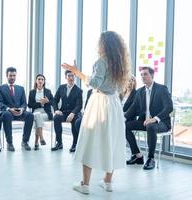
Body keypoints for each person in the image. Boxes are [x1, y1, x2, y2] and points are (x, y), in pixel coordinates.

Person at [62, 31, 131, 194]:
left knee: (89, 140)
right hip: (114, 104)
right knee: (112, 141)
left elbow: (94, 83)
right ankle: (108, 181)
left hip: (100, 103)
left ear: (104, 44)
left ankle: (85, 185)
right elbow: (120, 88)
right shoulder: (121, 64)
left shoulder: (101, 62)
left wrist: (77, 72)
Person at [125, 66, 173, 170]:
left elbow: (169, 107)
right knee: (125, 125)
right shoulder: (140, 91)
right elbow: (133, 109)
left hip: (161, 123)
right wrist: (122, 118)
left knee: (151, 126)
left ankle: (151, 159)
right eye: (141, 75)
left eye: (145, 74)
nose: (143, 76)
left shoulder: (161, 89)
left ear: (152, 75)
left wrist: (155, 118)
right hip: (144, 122)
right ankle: (137, 155)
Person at [0, 67, 34, 151]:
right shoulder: (1, 88)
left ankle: (25, 141)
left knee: (30, 115)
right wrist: (10, 109)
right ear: (7, 75)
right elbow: (0, 103)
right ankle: (9, 143)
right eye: (10, 75)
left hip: (19, 112)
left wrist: (21, 109)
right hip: (8, 112)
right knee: (6, 115)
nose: (12, 77)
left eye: (14, 75)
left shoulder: (20, 88)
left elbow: (24, 103)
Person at [51, 70, 83, 152]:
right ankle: (59, 143)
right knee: (56, 118)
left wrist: (72, 113)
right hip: (64, 112)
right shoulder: (61, 87)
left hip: (75, 113)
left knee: (76, 121)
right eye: (69, 76)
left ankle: (75, 144)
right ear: (66, 77)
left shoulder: (79, 90)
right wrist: (56, 110)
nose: (71, 78)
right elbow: (54, 100)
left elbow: (79, 105)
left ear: (74, 77)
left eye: (72, 76)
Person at [28, 74, 54, 150]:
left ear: (44, 81)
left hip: (46, 113)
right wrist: (39, 103)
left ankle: (37, 142)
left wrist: (47, 101)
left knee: (37, 119)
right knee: (37, 115)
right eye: (39, 79)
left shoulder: (48, 91)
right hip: (36, 112)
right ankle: (41, 138)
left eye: (42, 79)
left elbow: (53, 102)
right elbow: (29, 105)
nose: (40, 81)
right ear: (36, 81)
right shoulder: (32, 92)